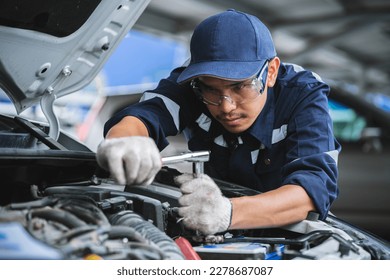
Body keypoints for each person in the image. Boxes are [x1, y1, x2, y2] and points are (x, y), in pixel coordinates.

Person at [96, 9, 340, 235]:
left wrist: (228, 213)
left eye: (240, 86)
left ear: (272, 72)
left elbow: (312, 189)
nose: (226, 106)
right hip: (205, 223)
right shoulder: (192, 82)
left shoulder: (302, 93)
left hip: (284, 229)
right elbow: (145, 115)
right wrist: (126, 140)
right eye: (211, 90)